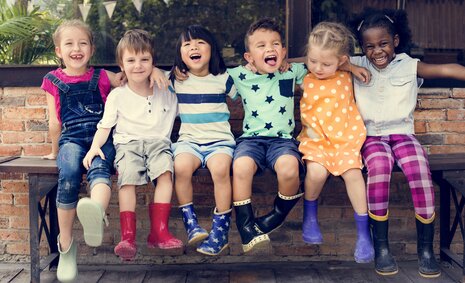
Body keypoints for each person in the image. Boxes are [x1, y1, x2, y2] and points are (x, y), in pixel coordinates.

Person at [350, 8, 465, 277]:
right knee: (378, 169)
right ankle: (382, 249)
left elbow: (446, 68)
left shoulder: (409, 64)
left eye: (383, 44)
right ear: (362, 48)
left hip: (403, 134)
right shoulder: (357, 64)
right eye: (369, 46)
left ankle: (425, 251)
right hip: (372, 137)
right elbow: (319, 59)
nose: (377, 51)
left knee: (420, 171)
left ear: (396, 41)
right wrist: (349, 65)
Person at [82, 29, 182, 262]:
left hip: (159, 143)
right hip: (128, 145)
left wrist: (159, 72)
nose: (138, 65)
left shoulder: (167, 87)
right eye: (131, 60)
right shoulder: (118, 95)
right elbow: (105, 126)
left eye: (145, 60)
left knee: (166, 173)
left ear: (153, 62)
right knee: (126, 180)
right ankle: (128, 237)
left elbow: (186, 71)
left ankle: (159, 232)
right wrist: (95, 147)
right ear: (121, 65)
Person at [41, 19, 120, 282]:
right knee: (69, 173)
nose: (77, 48)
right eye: (69, 44)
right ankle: (66, 245)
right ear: (58, 52)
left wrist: (154, 72)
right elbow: (55, 121)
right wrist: (55, 151)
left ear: (92, 49)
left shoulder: (103, 77)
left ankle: (95, 212)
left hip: (101, 137)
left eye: (82, 43)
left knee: (101, 167)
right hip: (71, 139)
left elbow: (132, 77)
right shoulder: (52, 80)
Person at [225, 18, 309, 253]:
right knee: (240, 167)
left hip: (282, 142)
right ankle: (246, 228)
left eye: (275, 45)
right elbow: (208, 72)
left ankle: (276, 216)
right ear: (249, 56)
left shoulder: (292, 70)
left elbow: (320, 60)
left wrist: (289, 61)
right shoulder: (239, 75)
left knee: (289, 169)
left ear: (283, 51)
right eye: (260, 46)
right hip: (251, 140)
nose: (269, 49)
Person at [297, 21, 374, 264]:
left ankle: (364, 234)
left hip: (345, 140)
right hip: (316, 140)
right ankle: (309, 216)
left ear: (340, 60)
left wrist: (350, 66)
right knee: (316, 173)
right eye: (313, 61)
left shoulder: (346, 75)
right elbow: (285, 63)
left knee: (354, 174)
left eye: (326, 63)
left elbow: (352, 66)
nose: (318, 68)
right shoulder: (303, 76)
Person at [168, 25, 237, 256]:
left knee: (220, 170)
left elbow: (247, 88)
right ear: (180, 54)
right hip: (189, 141)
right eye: (187, 44)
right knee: (181, 167)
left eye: (200, 42)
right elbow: (149, 78)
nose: (194, 47)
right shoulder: (175, 81)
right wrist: (161, 72)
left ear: (212, 50)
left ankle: (220, 232)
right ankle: (191, 224)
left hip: (220, 142)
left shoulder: (223, 78)